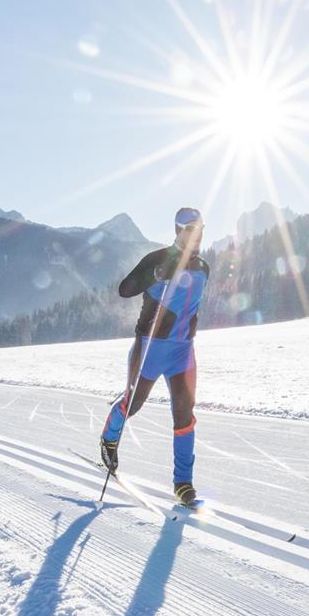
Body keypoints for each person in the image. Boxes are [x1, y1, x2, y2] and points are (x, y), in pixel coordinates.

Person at [99, 207, 211, 505]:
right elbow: (125, 290)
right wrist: (155, 275)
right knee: (132, 403)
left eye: (199, 229)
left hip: (183, 351)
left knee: (185, 414)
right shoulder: (157, 260)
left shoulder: (203, 267)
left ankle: (183, 484)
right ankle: (109, 437)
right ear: (178, 231)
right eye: (189, 229)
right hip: (150, 348)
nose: (196, 234)